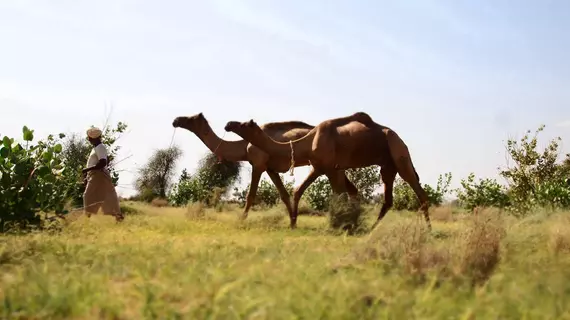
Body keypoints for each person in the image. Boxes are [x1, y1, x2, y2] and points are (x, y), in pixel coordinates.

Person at [82, 126, 124, 222]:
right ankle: (117, 215)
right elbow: (106, 160)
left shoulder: (100, 147)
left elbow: (103, 163)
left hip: (98, 175)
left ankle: (88, 216)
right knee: (106, 195)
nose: (88, 139)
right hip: (97, 175)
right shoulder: (98, 148)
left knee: (88, 195)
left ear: (92, 138)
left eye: (89, 137)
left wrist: (87, 169)